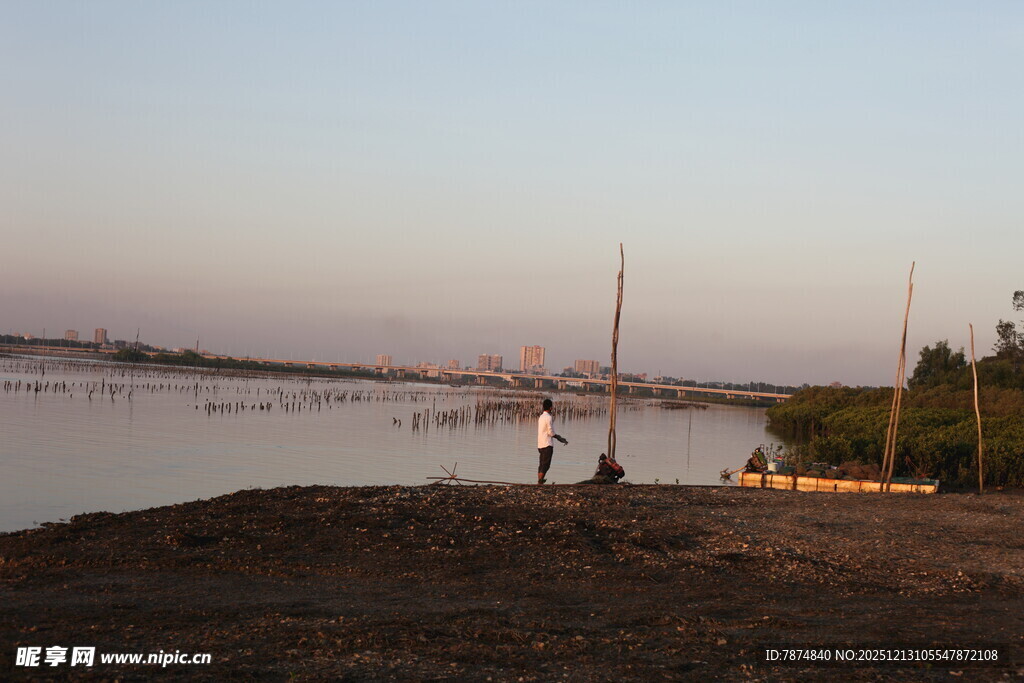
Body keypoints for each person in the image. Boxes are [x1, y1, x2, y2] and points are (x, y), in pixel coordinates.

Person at [536, 398, 567, 484]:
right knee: (546, 465)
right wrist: (558, 437)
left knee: (542, 464)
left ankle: (539, 482)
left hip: (540, 444)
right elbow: (550, 432)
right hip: (547, 444)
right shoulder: (548, 417)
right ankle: (540, 482)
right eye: (552, 407)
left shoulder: (541, 417)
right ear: (550, 408)